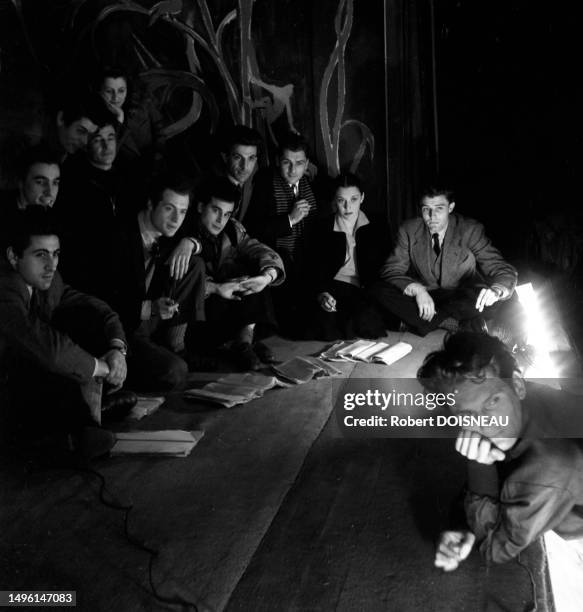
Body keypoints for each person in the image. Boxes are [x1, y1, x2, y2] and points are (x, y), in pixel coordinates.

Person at [417, 331, 583, 568]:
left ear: (517, 384)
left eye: (492, 402)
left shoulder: (549, 466)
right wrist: (462, 524)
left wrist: (478, 466)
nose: (486, 422)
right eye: (466, 415)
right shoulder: (520, 393)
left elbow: (495, 548)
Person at [0, 207, 128, 456]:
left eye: (55, 254)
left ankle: (85, 419)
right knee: (46, 357)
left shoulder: (47, 280)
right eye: (40, 255)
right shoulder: (5, 288)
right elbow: (47, 348)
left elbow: (102, 311)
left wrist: (117, 349)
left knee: (84, 320)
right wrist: (101, 368)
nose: (50, 265)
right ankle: (65, 435)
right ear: (14, 257)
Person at [372, 185, 518, 336]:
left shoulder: (469, 229)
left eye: (439, 208)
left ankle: (415, 322)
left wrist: (495, 291)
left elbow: (502, 268)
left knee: (504, 298)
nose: (432, 215)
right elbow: (391, 270)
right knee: (378, 290)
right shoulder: (409, 229)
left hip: (461, 297)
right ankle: (451, 324)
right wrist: (418, 290)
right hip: (428, 296)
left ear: (451, 207)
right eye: (426, 209)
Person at [115, 174, 206, 390]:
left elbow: (206, 241)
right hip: (120, 328)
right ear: (150, 204)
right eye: (169, 209)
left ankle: (175, 346)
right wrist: (151, 308)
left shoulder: (170, 230)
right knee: (175, 371)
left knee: (194, 263)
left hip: (150, 321)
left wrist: (190, 243)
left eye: (182, 211)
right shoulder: (120, 236)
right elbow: (106, 300)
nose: (176, 219)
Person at [185, 178, 285, 371]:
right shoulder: (185, 231)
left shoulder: (231, 229)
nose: (220, 220)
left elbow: (260, 250)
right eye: (215, 211)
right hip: (196, 310)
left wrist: (267, 276)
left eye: (227, 214)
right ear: (200, 207)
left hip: (224, 305)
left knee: (253, 274)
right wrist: (216, 288)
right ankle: (240, 344)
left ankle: (243, 344)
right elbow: (178, 284)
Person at [245, 132, 318, 335]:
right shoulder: (264, 183)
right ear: (278, 161)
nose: (293, 170)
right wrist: (290, 219)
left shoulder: (310, 185)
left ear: (307, 164)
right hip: (273, 257)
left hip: (303, 259)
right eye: (287, 162)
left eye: (299, 163)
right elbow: (253, 230)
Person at [308, 172, 391, 340]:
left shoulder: (377, 224)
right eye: (341, 200)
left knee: (367, 322)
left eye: (353, 199)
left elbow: (386, 263)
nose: (348, 207)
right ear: (334, 201)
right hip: (334, 285)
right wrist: (322, 293)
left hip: (364, 287)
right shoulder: (322, 227)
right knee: (320, 323)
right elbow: (313, 267)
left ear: (362, 198)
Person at [0, 145, 61, 251]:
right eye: (41, 182)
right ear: (21, 182)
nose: (50, 193)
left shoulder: (58, 218)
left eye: (55, 183)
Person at [213, 124, 262, 222]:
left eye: (251, 158)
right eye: (238, 157)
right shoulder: (211, 184)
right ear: (225, 157)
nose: (245, 166)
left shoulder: (257, 180)